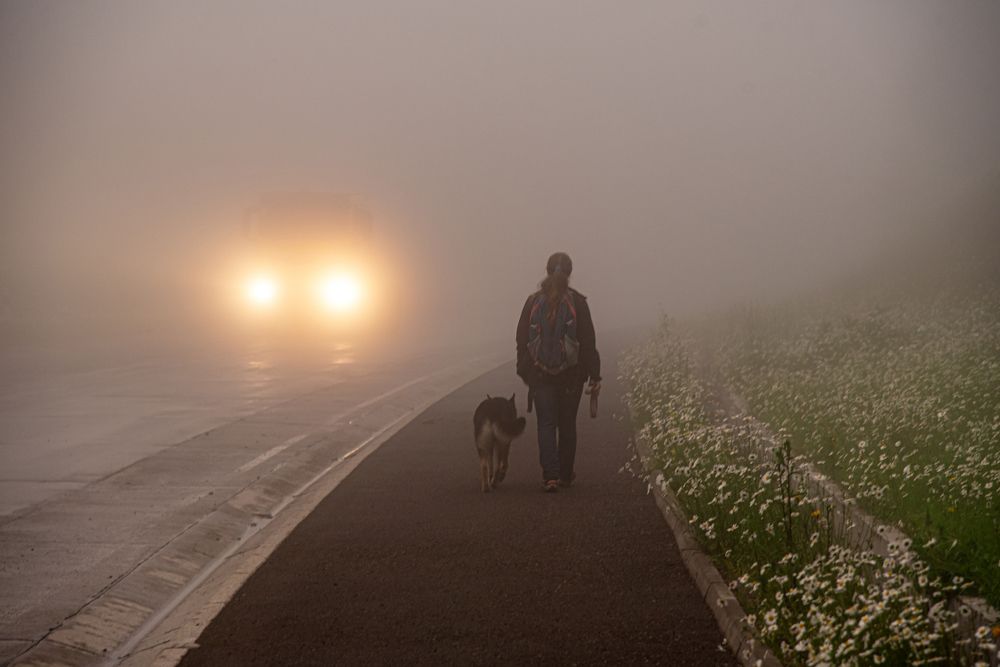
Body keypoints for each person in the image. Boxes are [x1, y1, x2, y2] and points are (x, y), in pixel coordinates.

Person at [516, 252, 601, 492]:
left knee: (546, 424)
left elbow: (521, 339)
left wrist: (525, 370)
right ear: (570, 273)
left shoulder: (532, 302)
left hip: (540, 374)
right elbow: (588, 341)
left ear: (547, 270)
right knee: (567, 424)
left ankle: (550, 477)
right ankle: (565, 475)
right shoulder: (578, 302)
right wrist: (594, 375)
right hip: (571, 376)